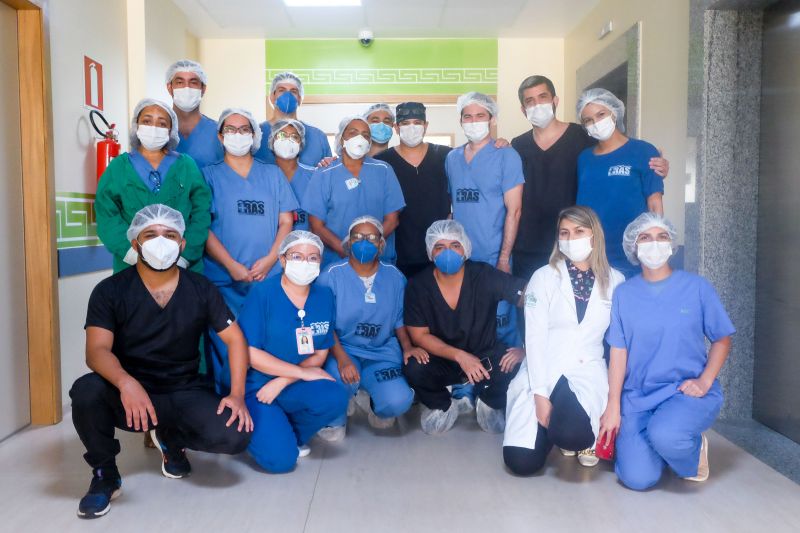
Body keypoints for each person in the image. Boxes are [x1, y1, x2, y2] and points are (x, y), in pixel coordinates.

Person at [69, 205, 252, 519]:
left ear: (181, 244)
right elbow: (96, 351)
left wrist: (236, 395)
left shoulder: (200, 289)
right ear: (135, 243)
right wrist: (126, 382)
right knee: (85, 392)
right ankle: (104, 475)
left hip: (183, 388)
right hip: (131, 393)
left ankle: (171, 438)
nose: (161, 241)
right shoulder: (110, 291)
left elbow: (235, 339)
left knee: (234, 435)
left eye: (169, 235)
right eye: (150, 234)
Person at [601, 213, 735, 490]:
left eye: (662, 236)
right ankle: (663, 445)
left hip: (685, 391)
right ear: (634, 247)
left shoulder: (697, 288)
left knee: (666, 434)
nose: (654, 244)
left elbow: (722, 338)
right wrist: (613, 404)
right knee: (637, 479)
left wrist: (705, 380)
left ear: (672, 244)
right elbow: (618, 352)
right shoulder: (624, 294)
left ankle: (689, 448)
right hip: (638, 396)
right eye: (645, 237)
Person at [511, 75, 669, 285]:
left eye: (543, 97)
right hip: (551, 246)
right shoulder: (520, 146)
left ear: (555, 101)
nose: (596, 123)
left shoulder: (583, 139)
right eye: (530, 101)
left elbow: (622, 154)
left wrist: (654, 246)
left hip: (605, 247)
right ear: (523, 109)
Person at [503, 206, 625, 475]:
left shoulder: (616, 281)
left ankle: (568, 430)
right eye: (564, 233)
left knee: (573, 434)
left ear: (594, 235)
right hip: (544, 366)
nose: (571, 238)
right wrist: (540, 397)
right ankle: (552, 425)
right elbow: (533, 339)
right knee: (521, 463)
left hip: (586, 369)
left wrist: (614, 401)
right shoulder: (544, 277)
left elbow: (619, 343)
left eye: (579, 231)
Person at [237, 230, 349, 473]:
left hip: (289, 383)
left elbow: (319, 353)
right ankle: (266, 431)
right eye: (297, 256)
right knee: (281, 461)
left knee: (335, 396)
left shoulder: (324, 296)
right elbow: (251, 354)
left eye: (313, 258)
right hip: (257, 386)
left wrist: (286, 379)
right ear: (283, 260)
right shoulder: (262, 293)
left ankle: (290, 432)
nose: (305, 263)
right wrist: (299, 374)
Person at [203, 108, 298, 389]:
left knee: (265, 340)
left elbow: (286, 221)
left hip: (266, 277)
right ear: (220, 136)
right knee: (226, 343)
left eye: (244, 129)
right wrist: (231, 265)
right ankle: (229, 399)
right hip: (223, 279)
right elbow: (203, 227)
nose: (237, 135)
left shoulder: (272, 174)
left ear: (255, 136)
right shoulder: (208, 175)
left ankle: (263, 401)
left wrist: (270, 259)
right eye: (230, 130)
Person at [403, 220, 528, 435]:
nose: (448, 252)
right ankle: (443, 403)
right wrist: (460, 356)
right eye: (439, 247)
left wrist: (525, 348)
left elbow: (530, 297)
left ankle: (488, 401)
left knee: (513, 364)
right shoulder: (419, 285)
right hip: (442, 359)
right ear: (430, 252)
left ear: (466, 249)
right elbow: (419, 336)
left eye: (455, 245)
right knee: (414, 366)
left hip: (484, 356)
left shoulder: (483, 276)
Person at [317, 216, 422, 441]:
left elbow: (399, 319)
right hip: (345, 350)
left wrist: (407, 347)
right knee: (338, 383)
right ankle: (335, 418)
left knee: (398, 401)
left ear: (382, 244)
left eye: (372, 238)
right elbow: (324, 324)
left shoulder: (395, 277)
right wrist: (343, 359)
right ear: (348, 241)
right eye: (358, 237)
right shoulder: (331, 275)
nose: (364, 242)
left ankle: (372, 399)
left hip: (381, 352)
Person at [95, 98, 211, 273]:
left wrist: (184, 255)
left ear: (171, 130)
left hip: (182, 265)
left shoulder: (186, 166)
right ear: (137, 125)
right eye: (147, 121)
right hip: (131, 265)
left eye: (162, 123)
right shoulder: (119, 167)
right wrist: (132, 253)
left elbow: (201, 212)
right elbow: (106, 214)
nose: (154, 128)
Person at [446, 91, 524, 349]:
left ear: (491, 119)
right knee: (465, 319)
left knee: (500, 320)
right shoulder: (452, 158)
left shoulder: (506, 155)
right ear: (460, 121)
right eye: (467, 116)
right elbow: (453, 208)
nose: (473, 121)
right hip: (462, 259)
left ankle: (507, 380)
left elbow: (514, 211)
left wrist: (503, 258)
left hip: (493, 255)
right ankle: (467, 382)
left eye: (480, 115)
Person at [576, 88, 665, 278]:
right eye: (588, 120)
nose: (596, 123)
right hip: (594, 254)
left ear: (614, 113)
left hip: (631, 253)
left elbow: (655, 203)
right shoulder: (584, 158)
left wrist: (654, 247)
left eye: (601, 114)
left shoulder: (643, 151)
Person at [302, 115, 405, 267]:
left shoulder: (384, 170)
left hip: (377, 260)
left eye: (365, 135)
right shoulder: (324, 173)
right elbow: (316, 225)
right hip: (336, 261)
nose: (360, 138)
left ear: (369, 142)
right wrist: (346, 250)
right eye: (353, 132)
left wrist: (370, 247)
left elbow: (392, 219)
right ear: (341, 138)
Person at [373, 102, 452, 279]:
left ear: (426, 126)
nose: (412, 128)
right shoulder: (382, 162)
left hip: (439, 250)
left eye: (417, 122)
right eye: (405, 123)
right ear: (396, 127)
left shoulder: (446, 155)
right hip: (399, 253)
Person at [254, 72, 332, 166]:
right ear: (272, 97)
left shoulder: (318, 137)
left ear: (300, 99)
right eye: (281, 90)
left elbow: (328, 173)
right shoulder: (256, 134)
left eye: (293, 91)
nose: (287, 95)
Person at [166, 59, 224, 168]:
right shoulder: (158, 131)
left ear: (203, 89)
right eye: (180, 82)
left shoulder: (218, 132)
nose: (186, 88)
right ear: (169, 88)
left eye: (193, 82)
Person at [268, 118, 317, 231]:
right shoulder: (264, 177)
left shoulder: (314, 176)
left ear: (301, 144)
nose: (288, 140)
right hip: (271, 244)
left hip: (305, 243)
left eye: (294, 137)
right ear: (272, 140)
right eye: (282, 135)